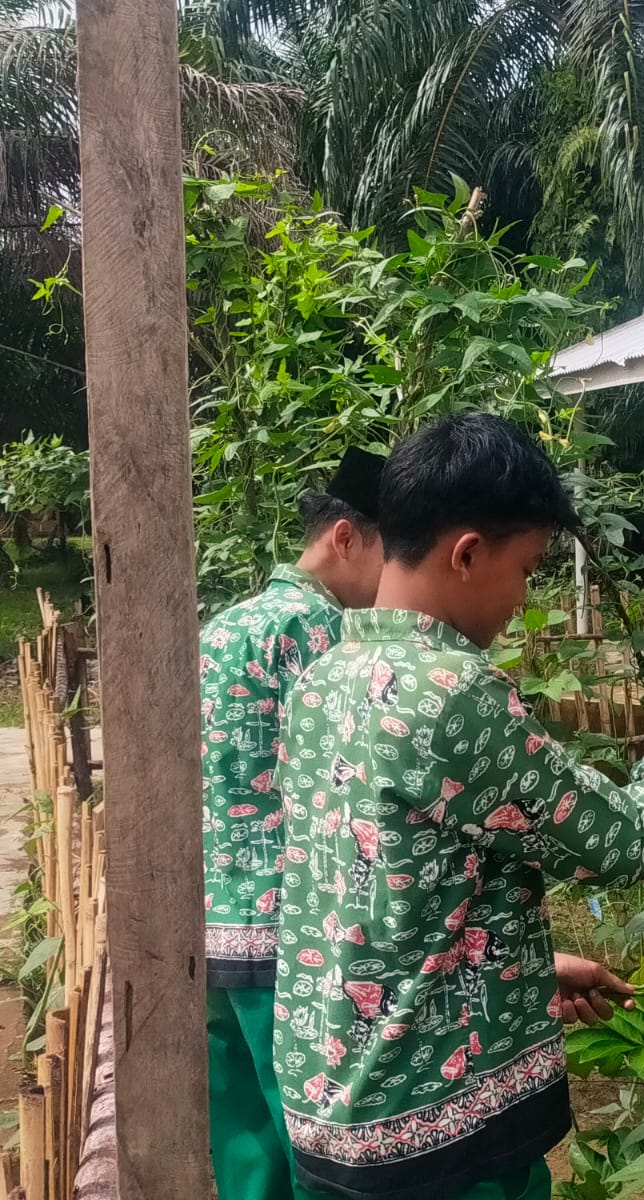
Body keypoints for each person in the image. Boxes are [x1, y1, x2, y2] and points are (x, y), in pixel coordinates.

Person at [271, 412, 644, 1200]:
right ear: (468, 553)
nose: (524, 596)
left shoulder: (324, 676)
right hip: (442, 1132)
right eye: (529, 568)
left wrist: (525, 971)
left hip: (331, 1111)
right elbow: (625, 841)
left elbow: (377, 903)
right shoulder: (452, 693)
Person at [202, 448, 386, 1200]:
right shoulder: (322, 634)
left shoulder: (225, 624)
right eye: (391, 553)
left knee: (244, 1139)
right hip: (287, 933)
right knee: (313, 1143)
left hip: (211, 918)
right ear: (345, 537)